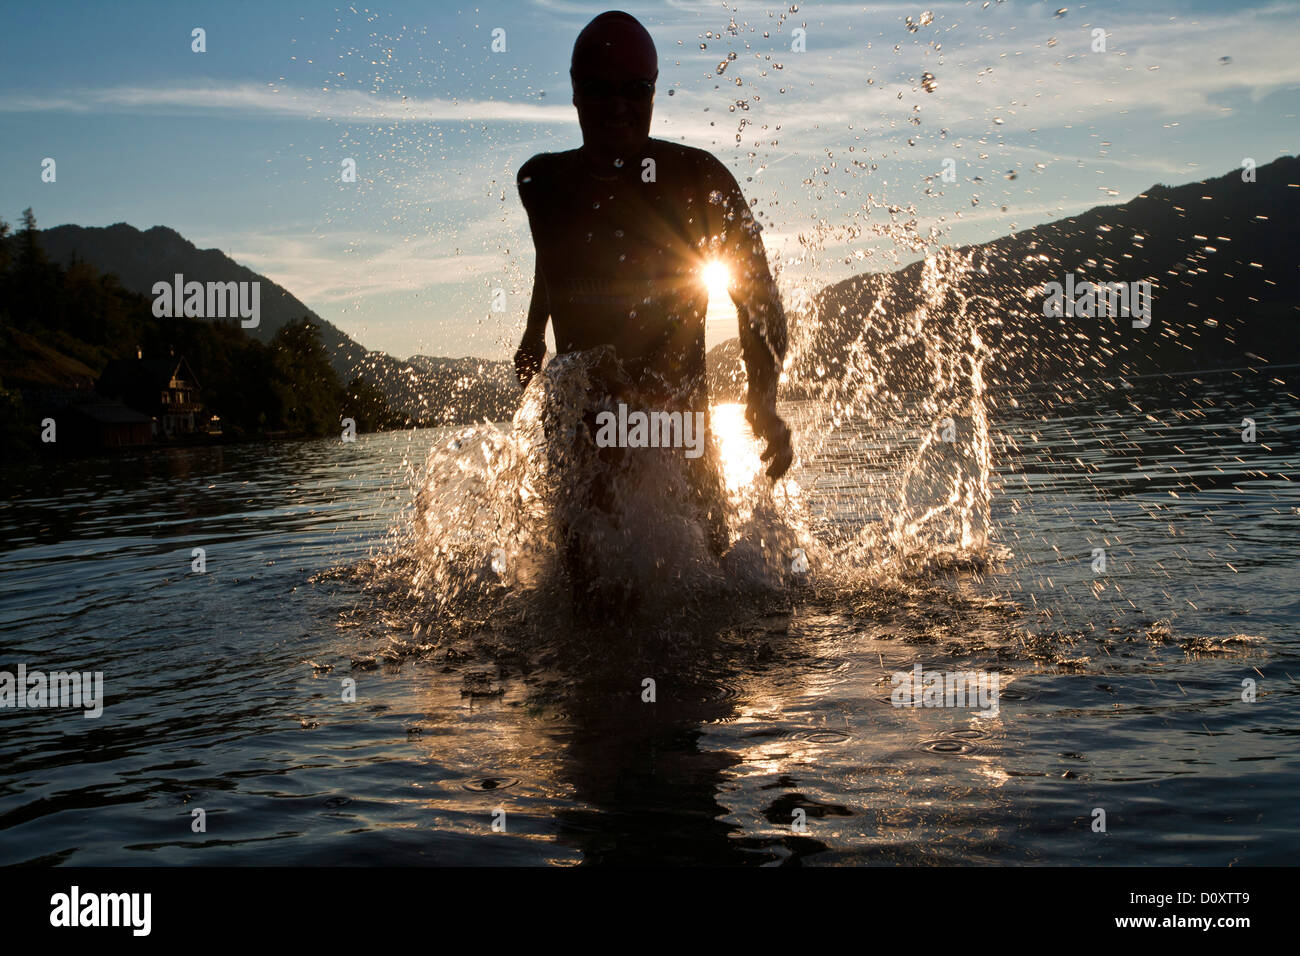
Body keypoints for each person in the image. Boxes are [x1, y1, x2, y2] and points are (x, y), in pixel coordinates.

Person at [514, 9, 793, 577]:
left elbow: (758, 299)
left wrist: (761, 401)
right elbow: (556, 256)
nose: (618, 106)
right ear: (574, 95)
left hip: (679, 425)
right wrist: (531, 333)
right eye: (599, 91)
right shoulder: (542, 183)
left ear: (654, 92)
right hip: (584, 426)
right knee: (585, 595)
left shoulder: (699, 180)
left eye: (634, 90)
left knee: (710, 591)